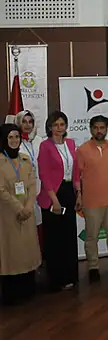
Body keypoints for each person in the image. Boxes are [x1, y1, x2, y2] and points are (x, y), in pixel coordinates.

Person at [37, 111, 81, 292]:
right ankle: (57, 280)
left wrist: (79, 193)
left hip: (69, 192)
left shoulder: (70, 143)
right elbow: (44, 174)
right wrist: (54, 200)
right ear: (49, 127)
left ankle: (71, 276)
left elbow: (76, 171)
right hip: (53, 194)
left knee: (69, 236)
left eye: (62, 124)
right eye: (55, 125)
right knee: (55, 240)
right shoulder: (45, 146)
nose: (59, 128)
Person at [77, 115, 108, 282]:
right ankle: (93, 266)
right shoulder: (82, 150)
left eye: (102, 127)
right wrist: (79, 195)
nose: (99, 131)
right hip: (91, 201)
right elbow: (77, 176)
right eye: (96, 128)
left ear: (107, 129)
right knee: (91, 237)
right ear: (91, 129)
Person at [0, 124, 40, 305]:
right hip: (8, 215)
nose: (14, 140)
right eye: (10, 137)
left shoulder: (25, 160)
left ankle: (28, 289)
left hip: (27, 213)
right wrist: (19, 208)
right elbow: (1, 191)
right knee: (11, 253)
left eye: (17, 136)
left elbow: (32, 185)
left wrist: (29, 207)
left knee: (27, 252)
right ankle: (12, 293)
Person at [15, 111, 43, 242]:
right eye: (24, 121)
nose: (27, 125)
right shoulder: (15, 141)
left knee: (39, 223)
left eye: (30, 122)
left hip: (40, 186)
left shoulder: (39, 141)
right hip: (22, 188)